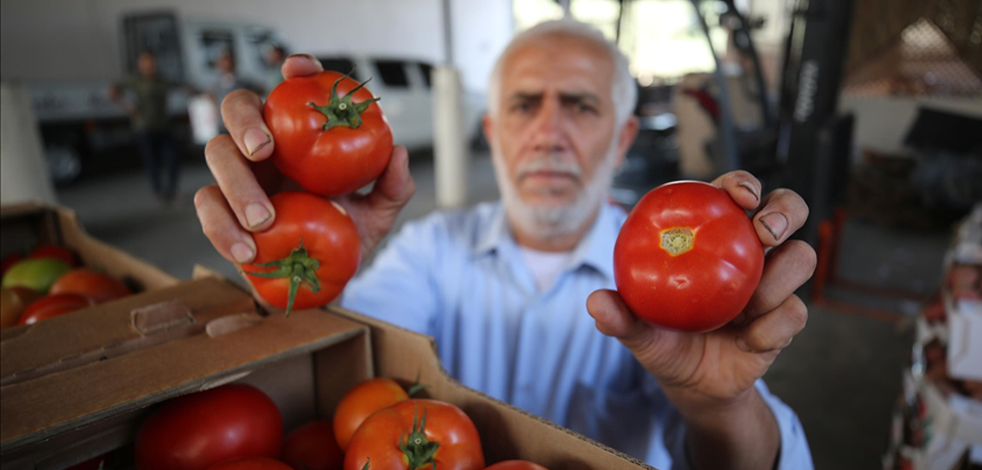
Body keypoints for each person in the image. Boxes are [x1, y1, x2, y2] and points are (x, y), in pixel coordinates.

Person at [194, 20, 817, 470]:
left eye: (580, 106)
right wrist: (297, 238)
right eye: (524, 105)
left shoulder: (696, 300)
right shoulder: (430, 251)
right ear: (492, 133)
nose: (549, 133)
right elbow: (329, 372)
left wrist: (719, 408)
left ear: (623, 138)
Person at [108, 50, 183, 204]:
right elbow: (113, 90)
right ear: (140, 65)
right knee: (152, 162)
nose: (149, 66)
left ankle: (173, 190)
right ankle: (158, 192)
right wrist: (126, 106)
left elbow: (182, 86)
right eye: (145, 63)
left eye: (151, 62)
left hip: (163, 126)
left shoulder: (161, 79)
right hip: (144, 128)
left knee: (172, 160)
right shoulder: (135, 81)